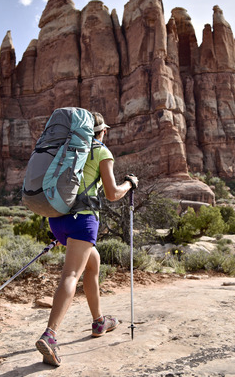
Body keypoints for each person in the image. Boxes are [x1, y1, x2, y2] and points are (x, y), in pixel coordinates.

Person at [35, 112, 138, 367]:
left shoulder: (66, 148)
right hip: (82, 221)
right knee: (71, 275)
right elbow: (113, 193)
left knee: (93, 264)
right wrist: (129, 184)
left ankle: (99, 321)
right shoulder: (101, 151)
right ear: (101, 132)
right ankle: (50, 335)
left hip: (57, 220)